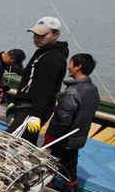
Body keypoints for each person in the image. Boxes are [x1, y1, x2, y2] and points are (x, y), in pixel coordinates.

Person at [6, 16, 69, 144]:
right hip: (25, 106)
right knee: (27, 142)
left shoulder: (53, 57)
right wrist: (18, 100)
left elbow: (46, 87)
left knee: (10, 141)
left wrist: (36, 114)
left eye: (42, 35)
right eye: (35, 34)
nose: (37, 38)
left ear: (56, 34)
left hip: (33, 109)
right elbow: (30, 78)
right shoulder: (42, 51)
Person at [44, 54, 99, 192]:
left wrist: (51, 137)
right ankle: (72, 191)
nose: (68, 66)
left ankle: (47, 191)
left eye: (71, 63)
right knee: (70, 167)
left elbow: (62, 119)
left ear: (78, 66)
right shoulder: (92, 89)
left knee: (49, 165)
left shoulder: (73, 92)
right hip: (77, 138)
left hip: (63, 138)